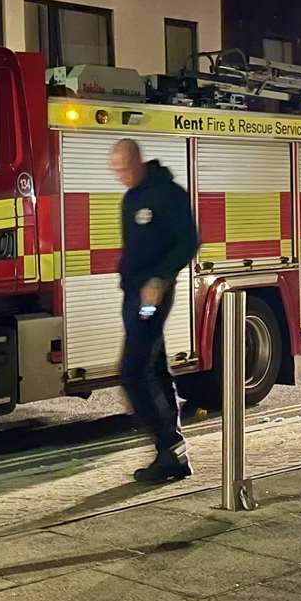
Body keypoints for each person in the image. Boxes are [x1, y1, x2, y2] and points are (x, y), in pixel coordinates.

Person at [108, 139, 200, 483]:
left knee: (132, 370)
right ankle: (174, 454)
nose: (121, 176)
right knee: (155, 369)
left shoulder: (168, 194)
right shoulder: (131, 197)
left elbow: (188, 241)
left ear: (138, 161)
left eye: (125, 168)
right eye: (115, 170)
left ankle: (168, 446)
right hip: (133, 294)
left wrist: (160, 280)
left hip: (152, 296)